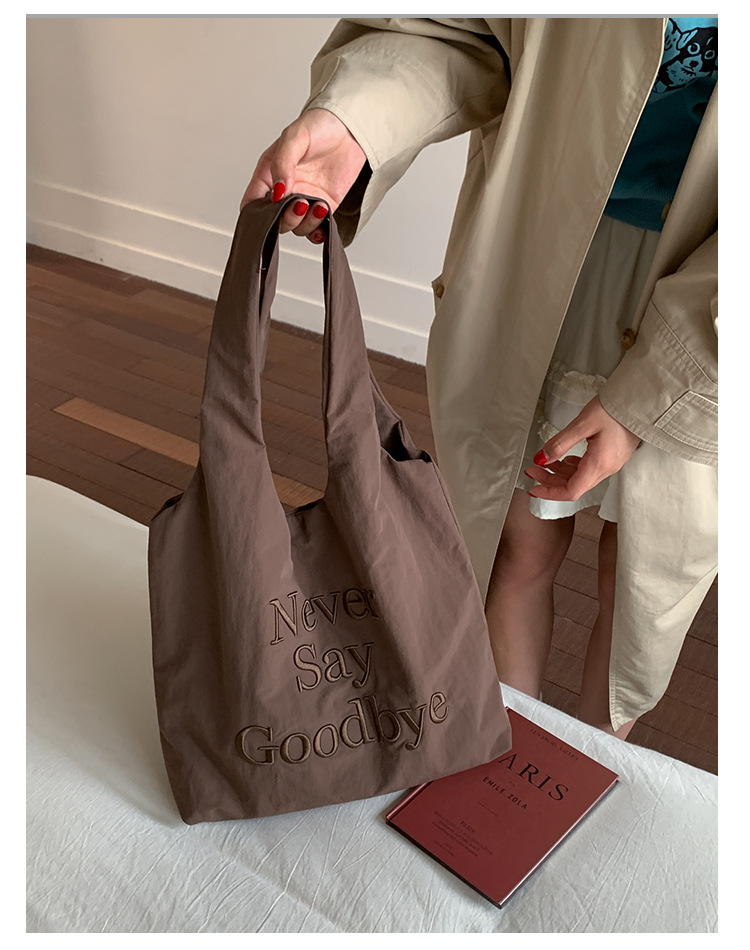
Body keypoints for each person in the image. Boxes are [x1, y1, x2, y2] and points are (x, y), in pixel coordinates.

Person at [242, 18, 718, 739]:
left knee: (641, 577)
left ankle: (595, 763)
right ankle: (499, 755)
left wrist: (658, 390)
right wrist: (357, 120)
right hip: (544, 250)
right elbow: (459, 30)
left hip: (712, 308)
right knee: (515, 538)